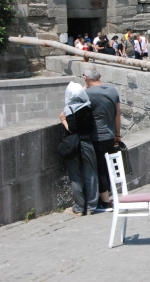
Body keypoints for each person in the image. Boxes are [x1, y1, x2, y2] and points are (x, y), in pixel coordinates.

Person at [83, 65, 121, 213]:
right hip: (110, 135)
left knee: (100, 169)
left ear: (86, 78)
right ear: (100, 76)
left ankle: (105, 202)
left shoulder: (87, 94)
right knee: (109, 166)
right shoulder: (112, 91)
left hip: (96, 136)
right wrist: (117, 134)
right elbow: (117, 114)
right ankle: (110, 196)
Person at [58, 82, 99, 216]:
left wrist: (63, 120)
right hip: (87, 143)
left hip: (74, 145)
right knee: (90, 174)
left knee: (75, 176)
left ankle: (79, 207)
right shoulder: (87, 107)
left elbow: (72, 129)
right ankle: (91, 206)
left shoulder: (69, 109)